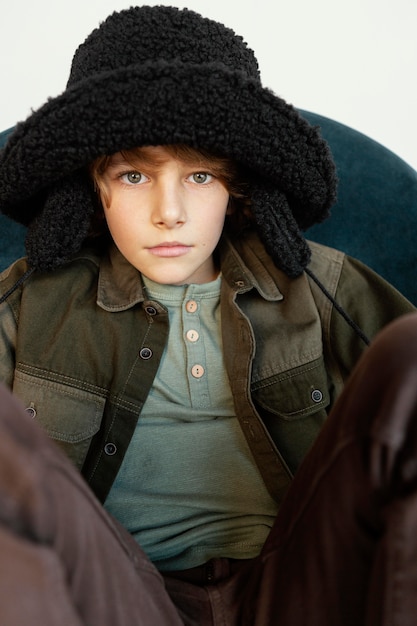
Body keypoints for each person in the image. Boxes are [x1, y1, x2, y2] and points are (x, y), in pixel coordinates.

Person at [0, 5, 415, 625]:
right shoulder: (31, 298)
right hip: (120, 596)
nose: (169, 212)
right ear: (95, 187)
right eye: (135, 174)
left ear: (236, 188)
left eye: (198, 175)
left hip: (301, 586)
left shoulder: (321, 284)